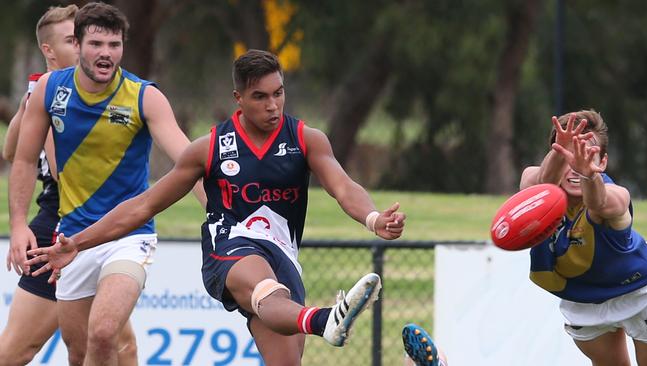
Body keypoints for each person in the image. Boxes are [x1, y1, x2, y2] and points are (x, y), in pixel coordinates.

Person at [25, 49, 406, 365]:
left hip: (283, 254)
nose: (273, 105)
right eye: (261, 97)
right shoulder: (209, 149)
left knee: (284, 352)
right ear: (238, 99)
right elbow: (143, 206)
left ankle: (322, 322)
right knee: (263, 286)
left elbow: (342, 186)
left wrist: (373, 218)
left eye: (279, 93)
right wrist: (79, 242)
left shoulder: (306, 139)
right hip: (230, 249)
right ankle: (324, 319)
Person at [9, 2, 205, 365]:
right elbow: (20, 158)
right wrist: (19, 225)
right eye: (96, 44)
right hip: (70, 240)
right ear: (79, 45)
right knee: (79, 350)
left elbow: (187, 160)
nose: (106, 53)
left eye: (114, 45)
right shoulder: (51, 90)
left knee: (103, 332)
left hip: (127, 237)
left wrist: (217, 213)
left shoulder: (144, 96)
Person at [0, 5, 137, 365]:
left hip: (96, 227)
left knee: (116, 344)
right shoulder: (52, 97)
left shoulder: (86, 92)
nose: (83, 50)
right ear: (50, 50)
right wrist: (28, 107)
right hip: (60, 226)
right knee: (17, 352)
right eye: (71, 40)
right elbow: (18, 154)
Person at [520, 110, 647, 365]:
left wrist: (588, 174)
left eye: (587, 154)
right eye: (568, 154)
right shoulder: (532, 183)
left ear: (602, 163)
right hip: (583, 298)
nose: (576, 166)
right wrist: (561, 151)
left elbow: (598, 203)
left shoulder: (617, 195)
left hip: (640, 292)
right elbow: (540, 183)